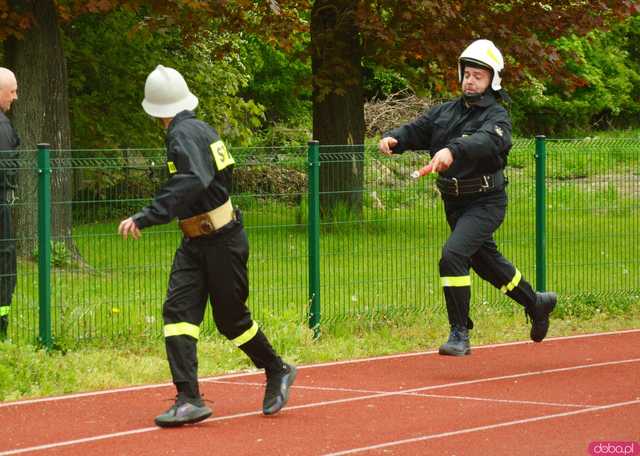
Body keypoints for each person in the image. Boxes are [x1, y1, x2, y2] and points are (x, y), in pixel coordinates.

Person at [118, 65, 296, 427]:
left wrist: (146, 216)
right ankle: (188, 398)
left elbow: (192, 181)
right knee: (178, 314)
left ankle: (277, 369)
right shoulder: (198, 129)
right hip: (195, 241)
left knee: (231, 320)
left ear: (155, 110)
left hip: (222, 240)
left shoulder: (183, 133)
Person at [379, 39, 557, 356]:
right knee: (486, 265)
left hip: (486, 202)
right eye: (467, 74)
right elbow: (418, 129)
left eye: (478, 75)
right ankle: (536, 302)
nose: (470, 80)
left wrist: (453, 150)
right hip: (454, 203)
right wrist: (395, 139)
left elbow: (486, 142)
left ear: (492, 80)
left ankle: (459, 333)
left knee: (453, 256)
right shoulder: (446, 112)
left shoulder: (498, 118)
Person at [0, 67, 20, 341]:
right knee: (4, 265)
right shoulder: (3, 127)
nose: (15, 97)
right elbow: (5, 170)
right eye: (12, 91)